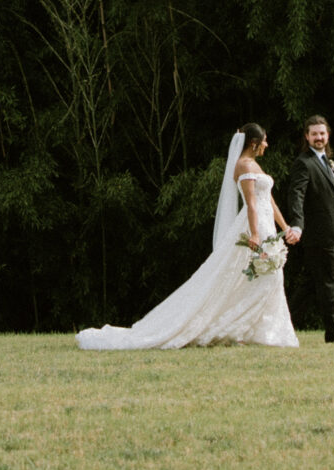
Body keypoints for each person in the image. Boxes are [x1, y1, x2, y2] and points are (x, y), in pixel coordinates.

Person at [75, 123, 300, 350]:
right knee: (258, 276)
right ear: (254, 142)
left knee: (264, 276)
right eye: (264, 140)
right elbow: (251, 203)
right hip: (256, 225)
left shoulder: (254, 165)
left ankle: (254, 330)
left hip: (266, 224)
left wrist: (285, 226)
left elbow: (268, 200)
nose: (267, 144)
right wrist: (254, 233)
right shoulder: (243, 165)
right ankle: (234, 328)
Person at [285, 114, 334, 342]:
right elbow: (297, 195)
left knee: (310, 284)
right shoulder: (304, 163)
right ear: (307, 136)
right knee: (328, 284)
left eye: (322, 133)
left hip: (329, 232)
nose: (319, 137)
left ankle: (282, 325)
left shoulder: (325, 160)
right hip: (318, 233)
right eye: (314, 134)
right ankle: (333, 333)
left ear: (328, 135)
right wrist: (297, 223)